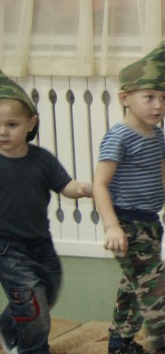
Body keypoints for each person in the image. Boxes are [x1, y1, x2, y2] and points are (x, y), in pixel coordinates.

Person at [92, 42, 165, 354]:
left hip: (149, 224)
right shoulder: (119, 137)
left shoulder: (156, 134)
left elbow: (162, 175)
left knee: (135, 284)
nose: (158, 105)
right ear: (125, 98)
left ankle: (120, 342)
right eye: (149, 97)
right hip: (126, 224)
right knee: (155, 284)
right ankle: (164, 344)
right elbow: (100, 184)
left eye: (164, 97)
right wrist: (111, 226)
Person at [0, 69, 92, 354]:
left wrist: (81, 188)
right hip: (7, 247)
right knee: (32, 304)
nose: (3, 132)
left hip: (41, 242)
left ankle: (7, 327)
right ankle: (33, 349)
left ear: (31, 123)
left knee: (48, 290)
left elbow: (65, 185)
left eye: (11, 124)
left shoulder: (42, 160)